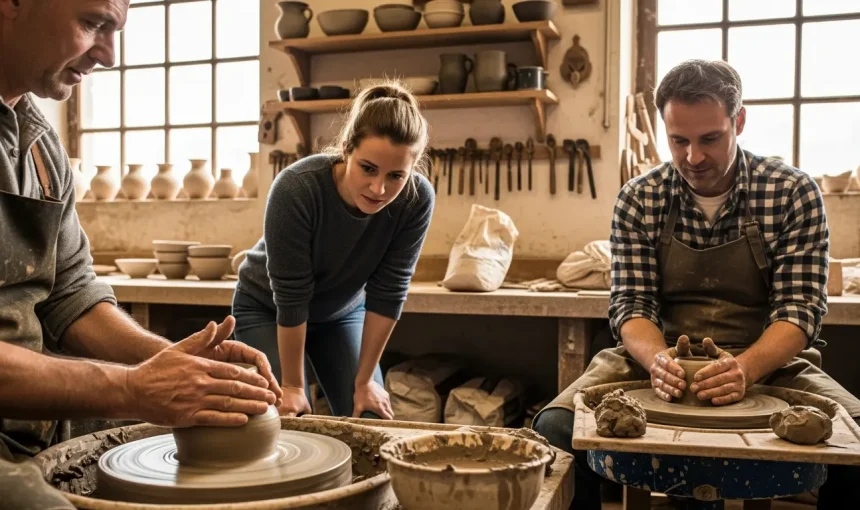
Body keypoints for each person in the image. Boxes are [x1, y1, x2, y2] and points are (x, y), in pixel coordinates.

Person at [532, 59, 860, 509]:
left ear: (738, 121)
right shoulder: (640, 197)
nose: (693, 157)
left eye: (710, 139)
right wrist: (658, 361)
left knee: (857, 436)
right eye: (678, 140)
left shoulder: (792, 191)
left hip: (766, 360)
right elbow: (631, 304)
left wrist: (745, 368)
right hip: (658, 355)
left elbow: (799, 311)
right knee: (554, 428)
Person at [0, 1, 283, 508]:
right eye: (92, 24)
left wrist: (175, 363)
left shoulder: (39, 142)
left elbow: (72, 294)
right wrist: (132, 389)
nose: (108, 56)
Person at [233, 80, 435, 421]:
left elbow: (389, 291)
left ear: (412, 170)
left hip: (341, 313)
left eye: (396, 175)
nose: (379, 188)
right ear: (346, 148)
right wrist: (295, 387)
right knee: (278, 422)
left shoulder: (416, 200)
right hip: (267, 306)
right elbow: (292, 295)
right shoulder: (297, 187)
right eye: (368, 168)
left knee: (370, 417)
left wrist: (365, 382)